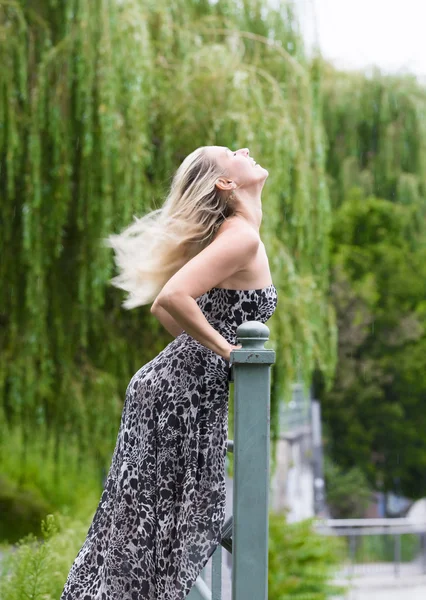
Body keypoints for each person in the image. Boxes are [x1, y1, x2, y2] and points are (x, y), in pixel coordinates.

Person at [60, 146, 278, 600]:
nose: (245, 149)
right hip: (176, 397)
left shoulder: (237, 233)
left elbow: (174, 314)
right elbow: (172, 300)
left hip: (173, 389)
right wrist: (228, 353)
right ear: (225, 183)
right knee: (152, 524)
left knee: (146, 521)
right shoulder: (240, 237)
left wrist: (201, 353)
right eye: (231, 152)